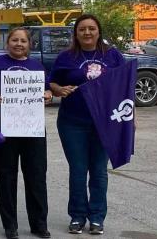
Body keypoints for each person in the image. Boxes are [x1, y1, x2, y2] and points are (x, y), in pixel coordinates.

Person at [49, 14, 125, 235]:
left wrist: (131, 117)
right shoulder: (66, 57)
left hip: (105, 123)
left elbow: (124, 86)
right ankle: (77, 216)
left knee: (100, 171)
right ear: (76, 33)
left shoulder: (112, 56)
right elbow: (53, 81)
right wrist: (58, 90)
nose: (87, 33)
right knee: (78, 170)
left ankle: (97, 217)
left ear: (99, 31)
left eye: (91, 28)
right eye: (82, 29)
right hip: (72, 122)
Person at [0, 27, 53, 239]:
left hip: (33, 129)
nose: (18, 44)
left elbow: (47, 90)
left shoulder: (36, 66)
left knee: (36, 176)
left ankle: (39, 224)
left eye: (23, 41)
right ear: (7, 43)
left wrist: (47, 94)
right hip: (4, 128)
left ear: (29, 44)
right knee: (6, 177)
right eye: (14, 40)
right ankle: (10, 225)